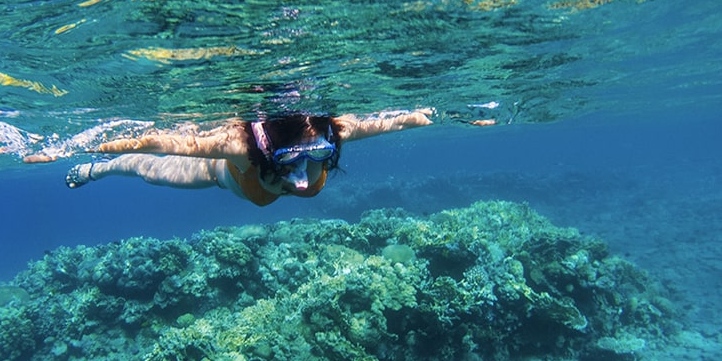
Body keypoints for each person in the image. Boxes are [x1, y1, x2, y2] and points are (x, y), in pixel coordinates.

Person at [29, 109, 432, 206]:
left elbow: (388, 123)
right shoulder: (237, 148)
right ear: (270, 148)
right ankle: (97, 172)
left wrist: (420, 119)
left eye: (319, 154)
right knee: (147, 171)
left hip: (256, 185)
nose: (303, 172)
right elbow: (159, 144)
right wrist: (75, 149)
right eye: (292, 156)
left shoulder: (334, 131)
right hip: (227, 177)